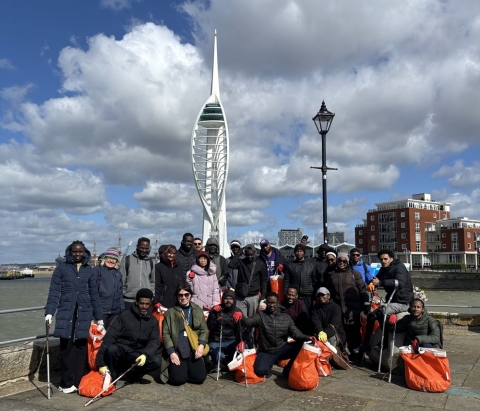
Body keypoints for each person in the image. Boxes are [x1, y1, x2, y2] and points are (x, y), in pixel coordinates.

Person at [45, 241, 103, 393]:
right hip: (66, 313)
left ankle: (77, 382)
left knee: (80, 348)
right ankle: (66, 382)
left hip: (84, 314)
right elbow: (54, 292)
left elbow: (94, 295)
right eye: (75, 251)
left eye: (80, 252)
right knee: (67, 348)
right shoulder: (61, 268)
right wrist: (50, 312)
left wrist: (99, 317)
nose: (77, 254)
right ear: (70, 252)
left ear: (84, 252)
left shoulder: (88, 270)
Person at [240, 292, 312, 378]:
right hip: (267, 351)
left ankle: (288, 368)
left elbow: (295, 333)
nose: (271, 305)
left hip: (282, 348)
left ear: (278, 303)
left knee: (301, 344)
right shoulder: (260, 315)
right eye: (269, 302)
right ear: (266, 303)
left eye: (274, 303)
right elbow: (248, 322)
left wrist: (307, 337)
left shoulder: (286, 317)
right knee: (260, 371)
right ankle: (269, 365)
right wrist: (239, 314)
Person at [96, 288, 161, 382]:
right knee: (111, 349)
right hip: (122, 353)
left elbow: (154, 341)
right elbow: (108, 339)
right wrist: (101, 364)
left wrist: (145, 354)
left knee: (156, 361)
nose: (144, 306)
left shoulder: (153, 321)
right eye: (141, 303)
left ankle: (133, 376)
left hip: (138, 355)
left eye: (147, 304)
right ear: (136, 302)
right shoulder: (124, 316)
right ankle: (113, 376)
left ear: (150, 304)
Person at [361, 249, 414, 351]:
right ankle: (366, 342)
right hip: (392, 301)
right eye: (381, 259)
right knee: (371, 316)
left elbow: (400, 283)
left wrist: (380, 283)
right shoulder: (384, 269)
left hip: (403, 301)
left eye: (385, 259)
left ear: (391, 259)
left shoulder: (399, 268)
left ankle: (384, 341)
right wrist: (371, 283)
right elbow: (376, 279)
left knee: (381, 313)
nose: (383, 261)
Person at [160, 283, 208, 385]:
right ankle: (180, 369)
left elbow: (204, 329)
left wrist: (201, 345)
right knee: (178, 380)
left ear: (190, 295)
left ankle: (187, 368)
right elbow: (166, 334)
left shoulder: (197, 310)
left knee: (199, 379)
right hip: (177, 350)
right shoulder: (170, 312)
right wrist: (171, 352)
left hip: (193, 349)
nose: (183, 297)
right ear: (177, 296)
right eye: (180, 295)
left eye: (186, 294)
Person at [323, 252, 368, 353]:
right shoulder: (332, 275)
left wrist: (365, 304)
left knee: (354, 330)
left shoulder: (354, 274)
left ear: (348, 262)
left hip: (353, 307)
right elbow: (329, 291)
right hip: (338, 307)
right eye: (339, 260)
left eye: (344, 261)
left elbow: (362, 290)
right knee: (340, 330)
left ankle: (356, 353)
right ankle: (343, 352)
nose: (341, 263)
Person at [228, 244, 267, 319]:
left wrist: (263, 296)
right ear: (245, 254)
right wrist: (239, 252)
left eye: (251, 255)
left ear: (255, 253)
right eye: (247, 255)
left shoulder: (260, 264)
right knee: (241, 319)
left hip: (253, 296)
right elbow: (231, 264)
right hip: (241, 296)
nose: (249, 257)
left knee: (252, 321)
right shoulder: (241, 262)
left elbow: (264, 281)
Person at [207, 290, 243, 369]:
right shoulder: (216, 310)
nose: (228, 301)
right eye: (226, 298)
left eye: (230, 298)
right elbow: (210, 326)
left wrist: (241, 341)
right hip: (217, 341)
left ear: (234, 300)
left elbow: (240, 330)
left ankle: (229, 362)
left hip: (232, 340)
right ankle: (223, 363)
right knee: (217, 356)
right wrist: (213, 313)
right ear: (222, 299)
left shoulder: (237, 311)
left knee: (244, 347)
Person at [94, 247, 125, 329]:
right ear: (105, 258)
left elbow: (120, 293)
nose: (111, 261)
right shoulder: (97, 270)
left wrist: (122, 308)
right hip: (101, 310)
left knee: (111, 335)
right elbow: (93, 291)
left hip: (115, 311)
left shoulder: (118, 274)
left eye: (114, 259)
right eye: (109, 258)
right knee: (98, 336)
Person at [120, 237, 155, 310]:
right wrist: (125, 292)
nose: (144, 250)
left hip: (145, 301)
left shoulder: (151, 262)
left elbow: (152, 281)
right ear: (137, 246)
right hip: (128, 301)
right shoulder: (127, 260)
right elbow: (121, 281)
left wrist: (152, 294)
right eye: (142, 248)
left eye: (146, 248)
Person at [283, 243, 317, 312]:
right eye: (297, 251)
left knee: (307, 316)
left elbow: (314, 280)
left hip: (307, 295)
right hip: (294, 296)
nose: (299, 253)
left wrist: (314, 294)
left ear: (304, 252)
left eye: (301, 251)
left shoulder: (311, 265)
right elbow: (286, 281)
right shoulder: (290, 265)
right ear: (294, 253)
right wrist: (285, 293)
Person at [154, 245, 184, 309]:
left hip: (178, 301)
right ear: (165, 253)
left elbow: (182, 283)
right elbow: (157, 285)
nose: (171, 255)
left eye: (173, 253)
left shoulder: (178, 267)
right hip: (163, 302)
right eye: (169, 253)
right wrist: (156, 301)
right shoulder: (158, 267)